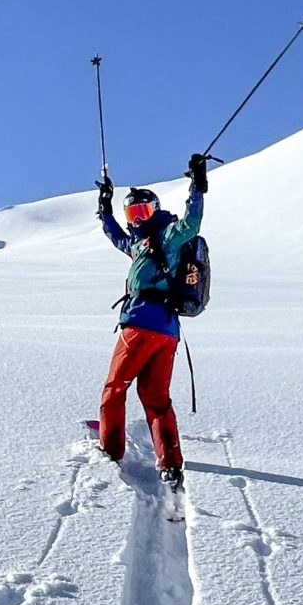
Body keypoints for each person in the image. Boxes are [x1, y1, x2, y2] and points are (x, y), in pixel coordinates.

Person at [95, 153, 208, 493]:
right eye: (133, 213)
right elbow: (115, 235)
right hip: (167, 333)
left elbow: (191, 223)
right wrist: (105, 207)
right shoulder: (138, 243)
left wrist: (197, 187)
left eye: (142, 211)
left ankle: (110, 450)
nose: (137, 218)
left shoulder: (167, 235)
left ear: (155, 210)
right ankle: (170, 464)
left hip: (141, 326)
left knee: (115, 387)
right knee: (156, 397)